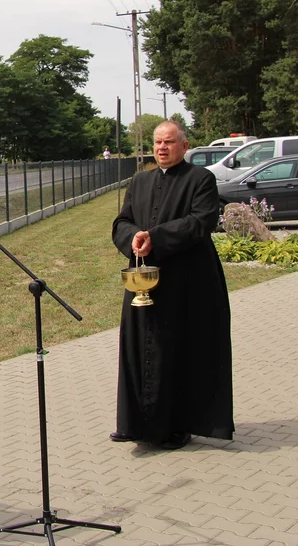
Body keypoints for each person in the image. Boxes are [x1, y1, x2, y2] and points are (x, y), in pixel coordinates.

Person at [109, 121, 233, 449]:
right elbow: (122, 221)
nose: (162, 147)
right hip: (142, 281)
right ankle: (134, 423)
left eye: (169, 142)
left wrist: (156, 238)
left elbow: (200, 221)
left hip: (186, 283)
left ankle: (177, 425)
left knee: (177, 351)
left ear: (184, 145)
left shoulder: (200, 179)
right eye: (157, 142)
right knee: (137, 349)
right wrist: (132, 236)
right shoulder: (139, 180)